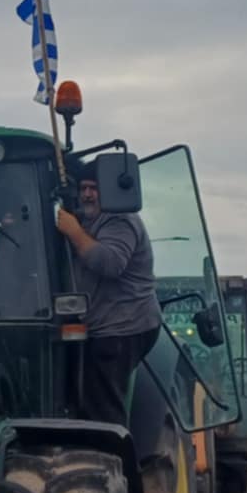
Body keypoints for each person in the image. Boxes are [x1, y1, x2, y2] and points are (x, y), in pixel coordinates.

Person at [54, 163, 160, 427]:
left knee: (101, 408)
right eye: (83, 188)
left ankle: (110, 462)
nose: (88, 194)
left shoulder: (120, 219)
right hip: (98, 323)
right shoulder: (88, 219)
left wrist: (74, 232)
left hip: (123, 327)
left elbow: (110, 263)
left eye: (94, 188)